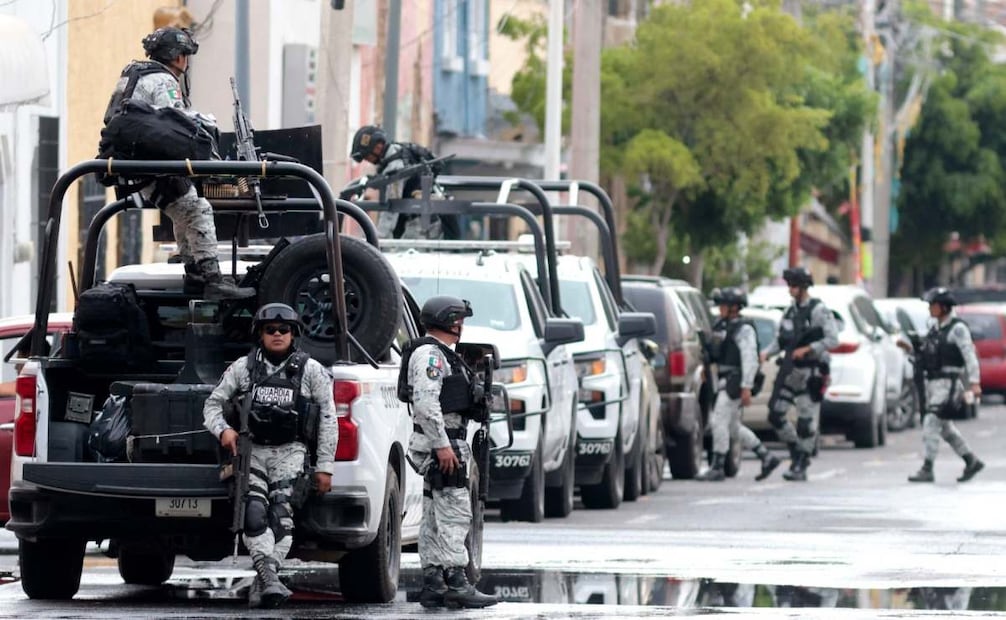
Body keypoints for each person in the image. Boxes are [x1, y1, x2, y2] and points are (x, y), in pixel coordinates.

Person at [103, 26, 253, 300]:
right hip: (154, 164)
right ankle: (212, 279)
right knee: (198, 209)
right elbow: (173, 124)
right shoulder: (163, 80)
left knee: (183, 210)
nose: (186, 61)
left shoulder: (136, 74)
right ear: (177, 56)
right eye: (185, 54)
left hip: (138, 163)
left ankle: (195, 273)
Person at [203, 303, 338, 608]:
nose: (277, 335)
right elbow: (212, 404)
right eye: (270, 330)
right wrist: (224, 430)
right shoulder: (243, 368)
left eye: (284, 330)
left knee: (281, 518)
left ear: (294, 334)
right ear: (260, 334)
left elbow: (329, 419)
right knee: (253, 514)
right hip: (253, 451)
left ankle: (267, 575)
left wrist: (325, 466)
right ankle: (270, 579)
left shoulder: (311, 370)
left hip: (292, 452)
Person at [399, 296, 497, 609]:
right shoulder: (431, 356)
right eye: (459, 320)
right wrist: (442, 445)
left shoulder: (440, 354)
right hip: (445, 445)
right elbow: (427, 406)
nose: (462, 326)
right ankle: (456, 580)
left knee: (433, 517)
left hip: (444, 442)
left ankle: (434, 582)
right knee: (455, 513)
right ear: (449, 320)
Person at [759, 267, 838, 481]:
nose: (790, 290)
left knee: (805, 420)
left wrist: (809, 349)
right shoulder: (790, 312)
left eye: (794, 286)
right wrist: (766, 353)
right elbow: (781, 340)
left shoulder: (819, 310)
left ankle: (802, 461)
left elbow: (833, 339)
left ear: (803, 287)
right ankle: (796, 449)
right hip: (791, 370)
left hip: (811, 371)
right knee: (775, 413)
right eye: (789, 285)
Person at [697, 287, 781, 482]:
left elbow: (750, 359)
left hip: (735, 381)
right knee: (733, 426)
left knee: (718, 421)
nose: (720, 309)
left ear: (735, 307)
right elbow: (716, 351)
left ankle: (717, 466)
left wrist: (746, 387)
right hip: (724, 379)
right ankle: (766, 456)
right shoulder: (722, 325)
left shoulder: (744, 329)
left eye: (724, 305)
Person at [907, 288, 984, 483]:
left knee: (931, 422)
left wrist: (974, 383)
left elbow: (969, 355)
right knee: (946, 429)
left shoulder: (957, 329)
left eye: (933, 305)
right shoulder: (936, 328)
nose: (930, 309)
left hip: (948, 384)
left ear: (943, 307)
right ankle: (971, 460)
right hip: (934, 384)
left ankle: (927, 467)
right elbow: (928, 352)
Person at [350, 125, 459, 239]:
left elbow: (391, 208)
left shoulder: (395, 166)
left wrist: (379, 241)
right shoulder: (401, 152)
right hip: (426, 222)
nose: (368, 160)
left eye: (367, 156)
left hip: (420, 226)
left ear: (377, 147)